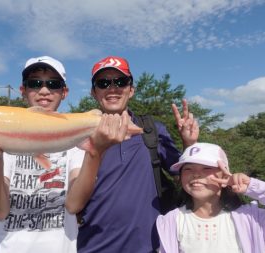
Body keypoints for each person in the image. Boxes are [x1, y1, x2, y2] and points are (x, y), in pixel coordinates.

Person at [0, 56, 126, 253]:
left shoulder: (74, 140)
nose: (44, 91)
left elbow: (74, 205)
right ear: (23, 91)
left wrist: (95, 151)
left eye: (53, 84)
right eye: (35, 83)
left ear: (64, 92)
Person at [65, 56, 199, 253]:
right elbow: (73, 204)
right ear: (94, 92)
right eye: (103, 83)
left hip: (150, 247)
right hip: (93, 247)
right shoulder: (80, 135)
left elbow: (187, 181)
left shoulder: (152, 130)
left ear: (131, 89)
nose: (112, 88)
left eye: (120, 82)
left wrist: (189, 143)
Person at [156, 142, 265, 253]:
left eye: (207, 168)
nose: (196, 174)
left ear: (225, 174)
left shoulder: (251, 218)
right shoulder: (170, 221)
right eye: (188, 169)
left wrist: (254, 188)